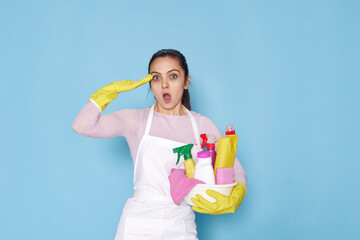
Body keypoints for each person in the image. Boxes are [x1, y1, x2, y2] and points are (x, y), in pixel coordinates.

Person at [72, 49, 247, 239]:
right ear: (149, 83)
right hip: (137, 224)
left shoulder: (201, 125)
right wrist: (110, 91)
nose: (164, 84)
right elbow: (82, 126)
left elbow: (235, 169)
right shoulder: (136, 120)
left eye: (173, 76)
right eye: (156, 78)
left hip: (181, 224)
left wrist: (237, 194)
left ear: (186, 81)